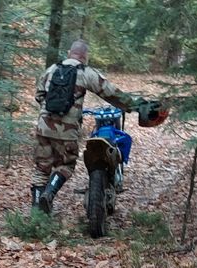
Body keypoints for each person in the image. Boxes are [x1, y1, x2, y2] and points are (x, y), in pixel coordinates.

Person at [31, 39, 153, 214]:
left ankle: (37, 214)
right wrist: (134, 106)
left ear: (69, 53)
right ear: (85, 56)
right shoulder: (85, 72)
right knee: (66, 165)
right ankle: (49, 193)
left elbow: (39, 94)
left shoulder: (52, 69)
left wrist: (48, 110)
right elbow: (109, 92)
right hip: (67, 129)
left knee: (42, 168)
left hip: (43, 126)